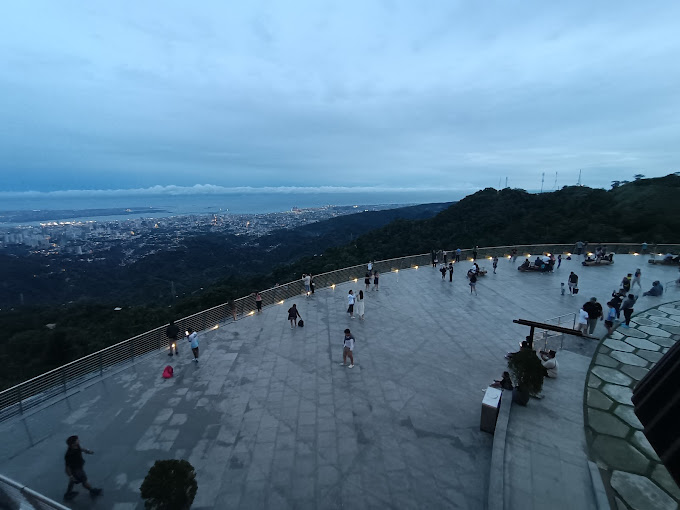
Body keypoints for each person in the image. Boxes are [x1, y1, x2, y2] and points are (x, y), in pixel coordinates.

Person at [63, 435, 102, 500]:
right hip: (76, 470)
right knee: (84, 481)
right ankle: (92, 491)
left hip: (78, 468)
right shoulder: (69, 454)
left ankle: (67, 494)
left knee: (72, 481)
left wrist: (87, 451)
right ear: (73, 444)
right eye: (77, 440)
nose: (79, 440)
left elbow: (80, 449)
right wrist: (71, 476)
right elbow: (67, 467)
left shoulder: (76, 446)